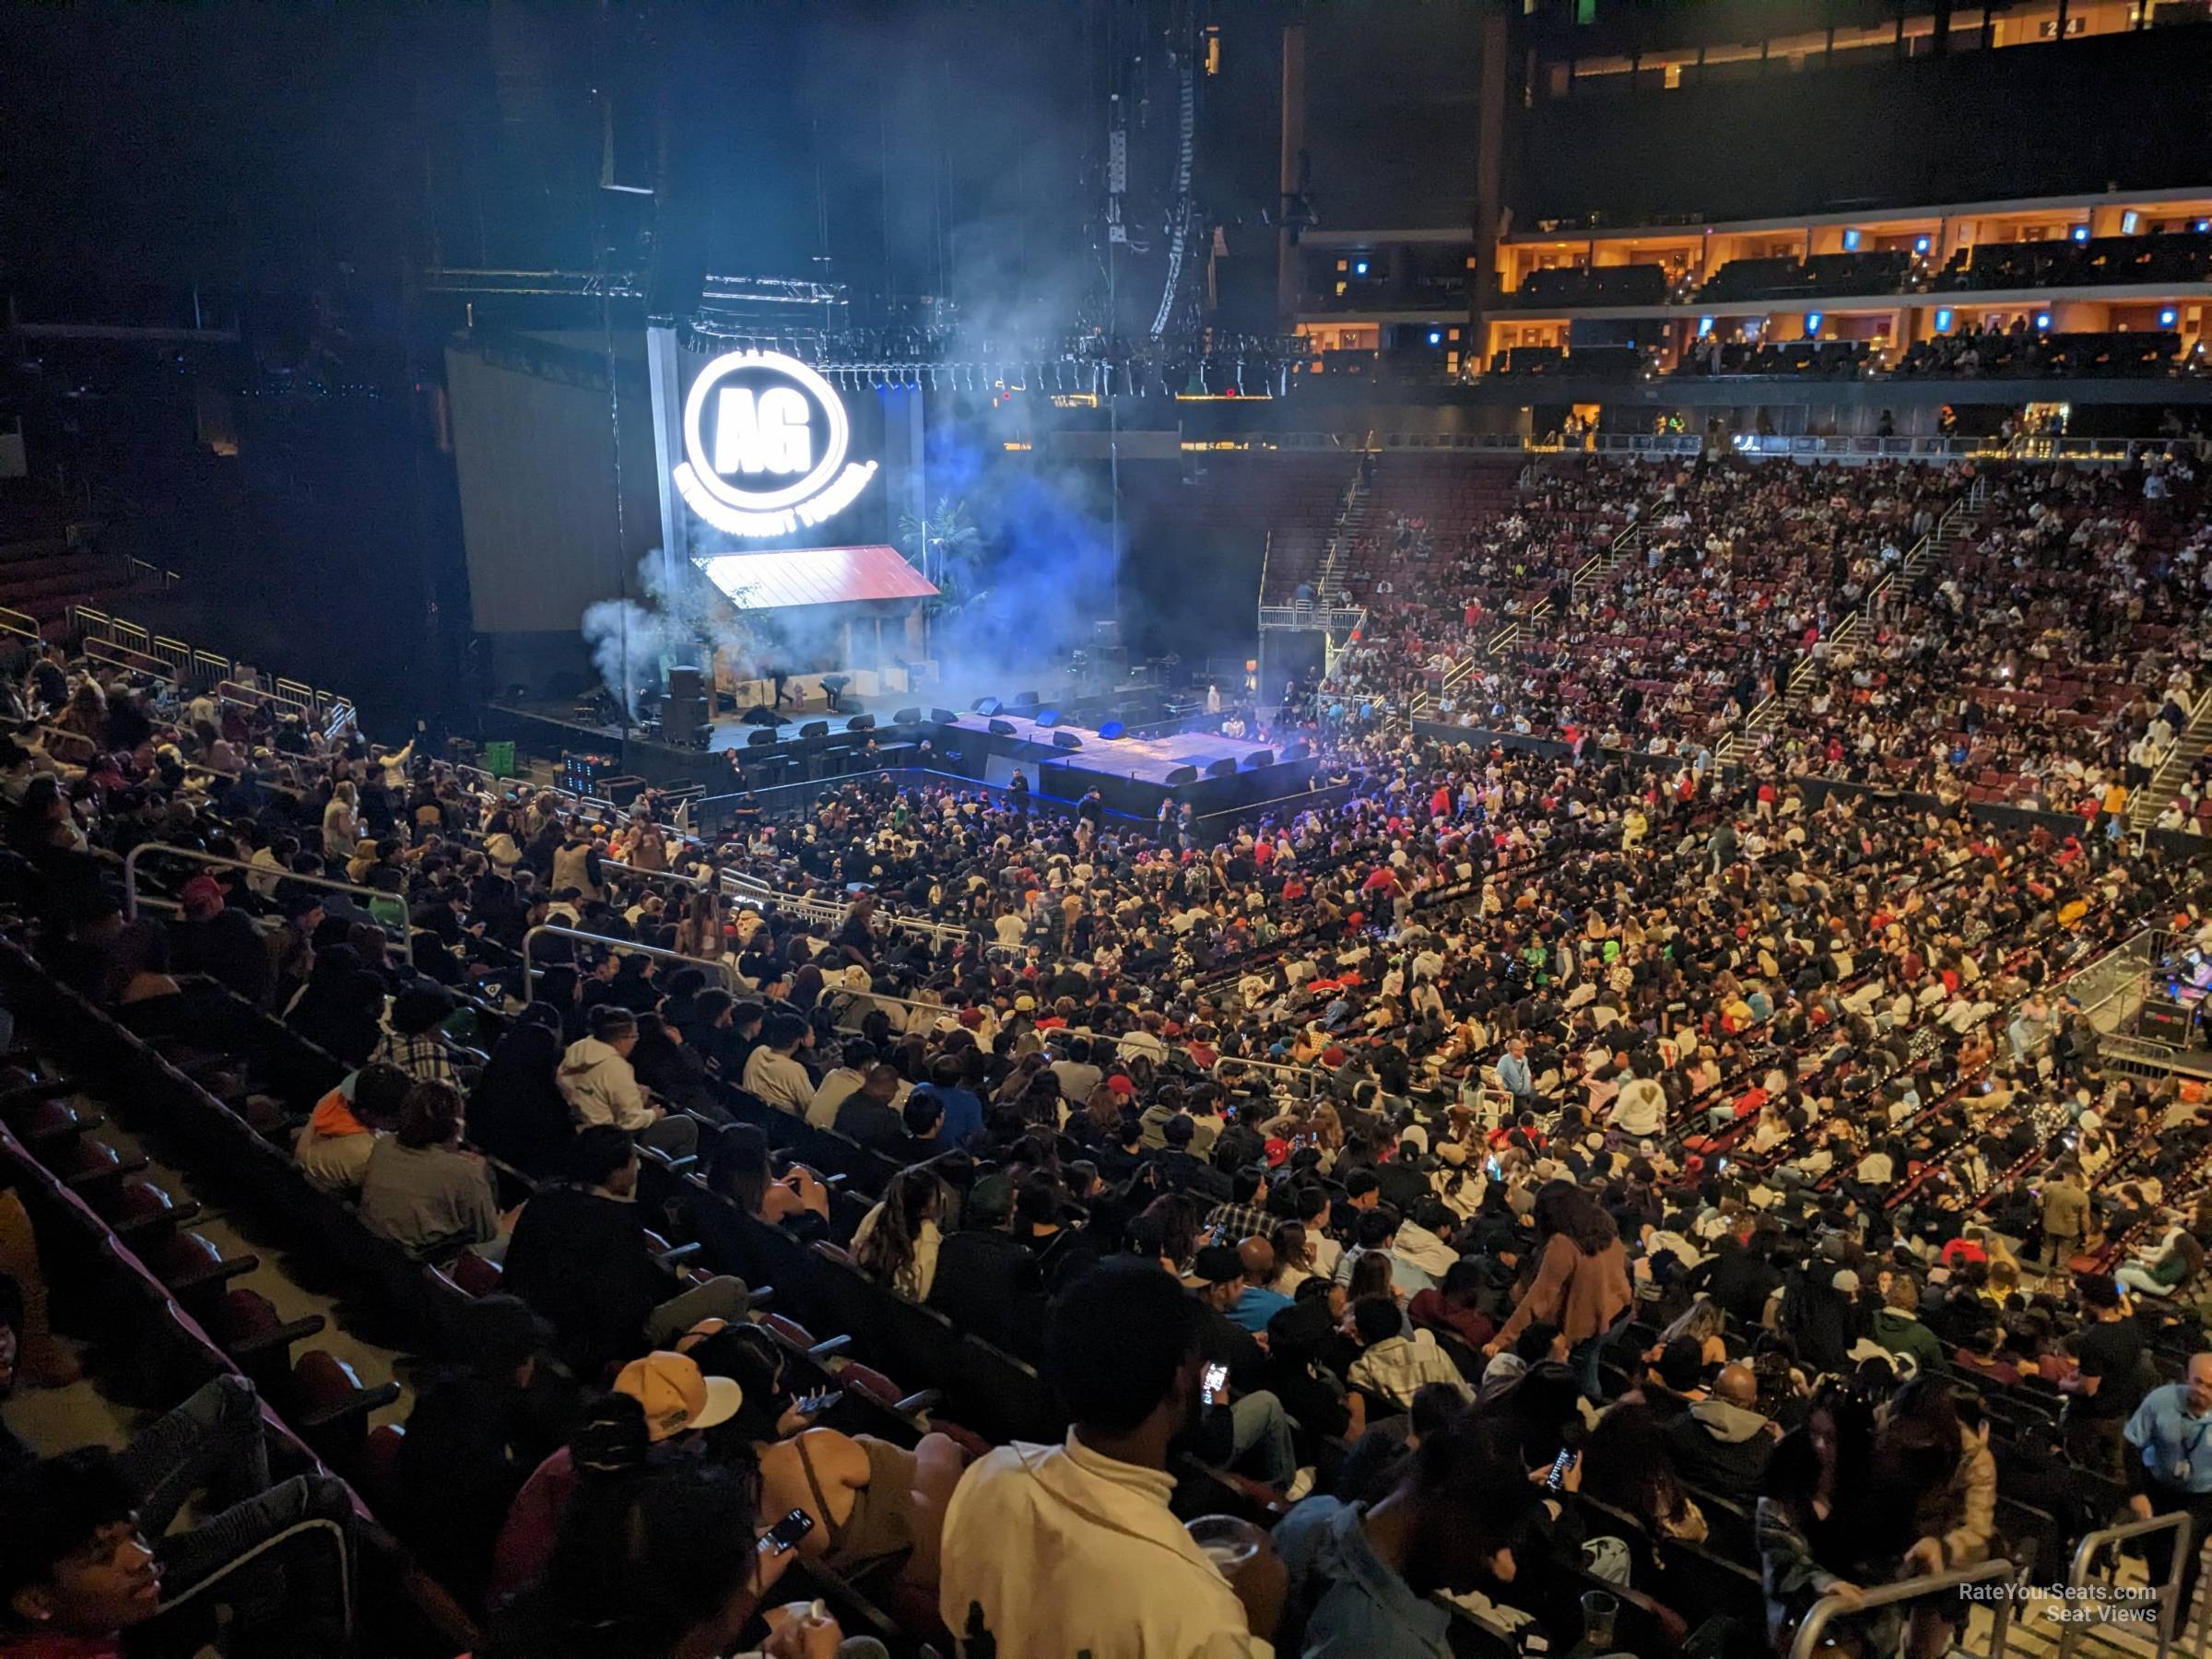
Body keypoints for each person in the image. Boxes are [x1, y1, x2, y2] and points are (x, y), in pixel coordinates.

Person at [937, 1258, 1280, 1656]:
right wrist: (1257, 1620)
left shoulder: (988, 1475)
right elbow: (1217, 1444)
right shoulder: (1199, 1615)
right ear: (1181, 1377)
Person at [0, 1377, 357, 1657]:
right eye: (104, 1554)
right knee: (321, 1501)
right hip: (96, 1608)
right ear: (36, 1601)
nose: (145, 1556)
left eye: (135, 1536)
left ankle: (256, 1593)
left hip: (29, 1513)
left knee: (234, 1395)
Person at [500, 1126, 751, 1379]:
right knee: (733, 1288)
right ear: (616, 1172)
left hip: (533, 1319)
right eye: (634, 1161)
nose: (639, 1168)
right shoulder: (617, 1222)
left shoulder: (544, 1199)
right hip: (599, 1343)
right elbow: (630, 1310)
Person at [1273, 1418, 1523, 1658]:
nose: (1489, 1564)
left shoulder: (1311, 1515)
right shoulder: (1400, 1648)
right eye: (1487, 1543)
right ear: (1447, 1504)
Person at [1484, 1181, 1631, 1398]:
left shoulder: (1563, 1244)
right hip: (1616, 1313)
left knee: (1580, 1380)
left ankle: (1583, 1418)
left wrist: (1501, 1339)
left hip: (1587, 1327)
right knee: (1589, 1371)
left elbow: (1538, 1298)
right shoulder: (1603, 1224)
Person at [358, 1079, 505, 1260]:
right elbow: (487, 1233)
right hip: (422, 1272)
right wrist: (483, 1176)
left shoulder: (384, 1145)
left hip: (369, 1254)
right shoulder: (465, 1172)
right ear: (455, 1124)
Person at [2124, 1352, 2212, 1620]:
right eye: (2198, 1382)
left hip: (2203, 1494)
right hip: (2160, 1485)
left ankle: (2178, 1612)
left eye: (2211, 1387)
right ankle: (2155, 1596)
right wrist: (2137, 1492)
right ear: (2187, 1377)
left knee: (2186, 1548)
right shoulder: (2161, 1400)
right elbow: (2131, 1444)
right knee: (2157, 1548)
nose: (2202, 1391)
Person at [558, 1004, 698, 1158]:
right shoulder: (615, 1067)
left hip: (581, 1135)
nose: (635, 1042)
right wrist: (653, 1114)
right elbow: (630, 1121)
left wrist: (635, 1095)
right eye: (634, 1036)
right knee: (685, 1126)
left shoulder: (576, 1052)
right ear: (620, 1040)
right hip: (612, 1143)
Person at [1665, 1361, 1779, 1505]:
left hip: (1677, 1515)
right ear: (1754, 1400)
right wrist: (1782, 1443)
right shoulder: (1767, 1451)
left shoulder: (1679, 1426)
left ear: (1713, 1389)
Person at [291, 1061, 411, 1194]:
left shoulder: (344, 1093)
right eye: (396, 1118)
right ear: (367, 1113)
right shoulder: (366, 1155)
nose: (403, 1120)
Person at [171, 874, 275, 1006]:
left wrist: (180, 925)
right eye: (218, 896)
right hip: (243, 1006)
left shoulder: (182, 938)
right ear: (212, 903)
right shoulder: (237, 922)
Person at [851, 1166, 945, 1301]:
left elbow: (854, 1252)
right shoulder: (927, 1235)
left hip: (858, 1297)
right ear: (925, 1208)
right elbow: (921, 1295)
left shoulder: (880, 1211)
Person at [741, 1013, 815, 1115]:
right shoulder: (795, 1070)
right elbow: (811, 1109)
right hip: (779, 1126)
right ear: (797, 1041)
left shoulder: (758, 1052)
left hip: (748, 1114)